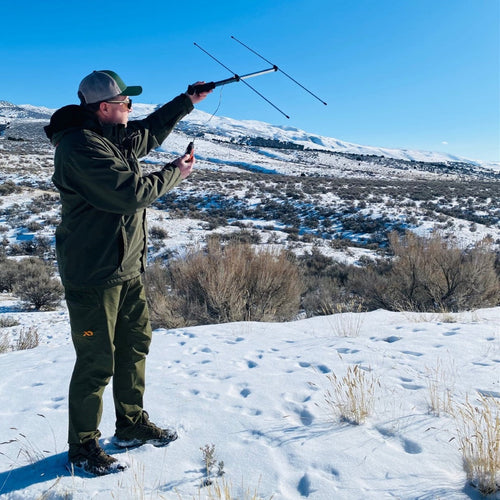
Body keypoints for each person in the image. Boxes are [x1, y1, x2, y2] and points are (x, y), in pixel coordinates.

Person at [44, 70, 210, 476]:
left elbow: (148, 133)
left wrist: (187, 100)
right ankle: (83, 447)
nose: (131, 109)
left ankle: (131, 424)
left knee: (135, 347)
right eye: (126, 103)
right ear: (105, 107)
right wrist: (175, 173)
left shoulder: (110, 136)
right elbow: (129, 195)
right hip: (94, 275)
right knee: (97, 361)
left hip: (127, 269)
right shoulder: (80, 148)